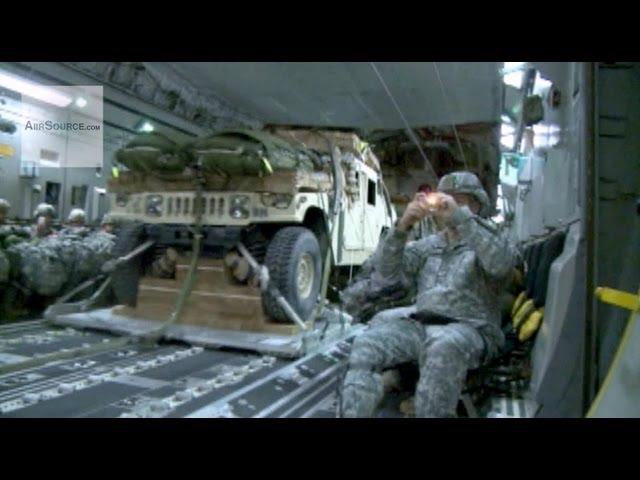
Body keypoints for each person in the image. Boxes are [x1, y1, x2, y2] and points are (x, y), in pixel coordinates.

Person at [340, 171, 517, 418]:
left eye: (461, 201)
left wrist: (461, 217)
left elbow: (500, 264)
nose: (450, 206)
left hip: (470, 328)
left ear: (477, 206)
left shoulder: (491, 238)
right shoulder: (430, 246)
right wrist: (403, 228)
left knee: (443, 347)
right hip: (421, 324)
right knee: (367, 344)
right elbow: (386, 276)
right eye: (446, 200)